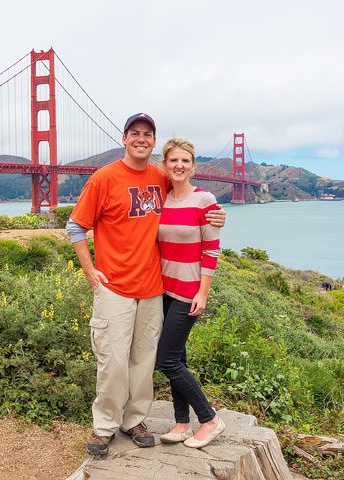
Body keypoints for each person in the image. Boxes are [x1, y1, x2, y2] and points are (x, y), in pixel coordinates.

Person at [66, 113, 225, 456]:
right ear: (124, 138)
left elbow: (190, 200)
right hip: (115, 288)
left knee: (143, 362)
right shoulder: (103, 178)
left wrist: (217, 214)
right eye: (134, 133)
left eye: (147, 134)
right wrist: (90, 271)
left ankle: (134, 420)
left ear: (154, 142)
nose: (141, 138)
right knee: (112, 361)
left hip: (154, 289)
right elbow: (76, 227)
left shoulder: (160, 176)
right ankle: (105, 426)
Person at [155, 137, 226, 448]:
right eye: (173, 161)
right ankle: (182, 422)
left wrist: (203, 292)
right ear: (165, 165)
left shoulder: (205, 200)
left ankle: (209, 419)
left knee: (166, 360)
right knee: (178, 357)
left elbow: (212, 250)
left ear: (193, 166)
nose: (179, 165)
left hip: (188, 293)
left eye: (185, 161)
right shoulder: (162, 199)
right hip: (163, 290)